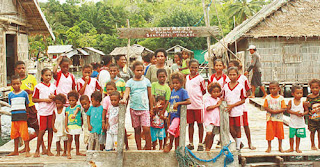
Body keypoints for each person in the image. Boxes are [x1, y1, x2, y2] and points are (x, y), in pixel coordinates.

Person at [13, 61, 46, 154]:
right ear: (16, 70)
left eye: (23, 68)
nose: (21, 70)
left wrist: (30, 92)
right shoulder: (15, 81)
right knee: (23, 128)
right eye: (19, 68)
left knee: (36, 127)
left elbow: (37, 90)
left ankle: (43, 147)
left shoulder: (31, 78)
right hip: (20, 107)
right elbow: (13, 93)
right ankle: (26, 147)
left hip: (31, 106)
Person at [121, 61, 153, 150]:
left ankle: (148, 147)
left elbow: (150, 96)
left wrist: (151, 108)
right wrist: (124, 99)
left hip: (145, 109)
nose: (139, 72)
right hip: (133, 109)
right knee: (137, 129)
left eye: (141, 70)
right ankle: (139, 148)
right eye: (137, 70)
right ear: (133, 71)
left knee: (146, 129)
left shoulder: (146, 81)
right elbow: (126, 93)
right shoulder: (129, 82)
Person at [229, 60, 256, 150]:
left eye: (232, 66)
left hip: (241, 106)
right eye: (229, 67)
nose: (231, 68)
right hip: (231, 106)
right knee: (232, 127)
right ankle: (238, 142)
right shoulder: (227, 79)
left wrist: (242, 98)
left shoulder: (243, 78)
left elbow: (249, 90)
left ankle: (250, 143)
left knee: (245, 125)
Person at [164, 72, 191, 153]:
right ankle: (177, 148)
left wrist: (178, 103)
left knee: (171, 130)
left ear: (181, 83)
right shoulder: (173, 92)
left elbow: (188, 101)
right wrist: (168, 116)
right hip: (172, 115)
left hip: (178, 116)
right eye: (173, 83)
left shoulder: (183, 91)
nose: (175, 85)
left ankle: (170, 145)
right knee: (176, 133)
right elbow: (170, 104)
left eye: (177, 83)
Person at [32, 68, 56, 157]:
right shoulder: (38, 87)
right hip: (42, 111)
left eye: (50, 75)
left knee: (50, 129)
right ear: (42, 76)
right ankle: (37, 150)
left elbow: (57, 98)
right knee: (41, 131)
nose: (48, 77)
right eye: (46, 75)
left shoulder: (53, 86)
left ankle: (49, 150)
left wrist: (54, 97)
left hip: (51, 111)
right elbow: (34, 99)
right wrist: (44, 100)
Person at [222, 67, 246, 150]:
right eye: (230, 75)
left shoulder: (240, 86)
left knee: (238, 127)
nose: (232, 76)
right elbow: (223, 97)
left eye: (234, 74)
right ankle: (238, 142)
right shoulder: (225, 86)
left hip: (237, 110)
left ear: (237, 75)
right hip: (228, 111)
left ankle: (238, 146)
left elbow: (243, 100)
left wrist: (232, 106)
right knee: (230, 128)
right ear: (227, 76)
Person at [7, 75, 30, 157]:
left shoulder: (24, 93)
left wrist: (27, 113)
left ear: (21, 83)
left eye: (17, 83)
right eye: (14, 84)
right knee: (15, 134)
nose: (16, 86)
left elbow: (27, 104)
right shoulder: (10, 95)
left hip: (22, 116)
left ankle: (27, 150)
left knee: (25, 134)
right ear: (11, 85)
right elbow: (11, 104)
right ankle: (15, 150)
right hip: (14, 117)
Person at [185, 59, 206, 151]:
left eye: (196, 67)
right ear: (189, 67)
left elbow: (204, 91)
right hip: (189, 106)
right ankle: (191, 143)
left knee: (200, 124)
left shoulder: (200, 79)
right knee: (190, 124)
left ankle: (200, 143)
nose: (193, 69)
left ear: (198, 68)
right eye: (192, 67)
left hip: (198, 105)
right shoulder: (186, 78)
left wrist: (198, 98)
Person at [103, 81, 129, 150]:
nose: (113, 102)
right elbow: (107, 115)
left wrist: (122, 100)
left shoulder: (120, 107)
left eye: (115, 100)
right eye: (112, 100)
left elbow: (125, 100)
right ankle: (109, 152)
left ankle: (122, 149)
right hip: (110, 128)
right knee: (109, 143)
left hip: (118, 129)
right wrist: (105, 122)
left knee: (117, 143)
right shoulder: (110, 106)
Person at [263, 81, 286, 153]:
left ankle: (280, 147)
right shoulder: (268, 97)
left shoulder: (281, 98)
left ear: (278, 89)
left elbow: (284, 108)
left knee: (280, 133)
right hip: (270, 118)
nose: (272, 90)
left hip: (279, 119)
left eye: (274, 88)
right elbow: (265, 106)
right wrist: (271, 111)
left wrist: (276, 111)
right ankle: (269, 146)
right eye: (270, 89)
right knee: (269, 132)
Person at [151, 69, 171, 145]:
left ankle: (164, 143)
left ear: (166, 77)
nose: (162, 78)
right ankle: (154, 142)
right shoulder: (154, 84)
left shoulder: (167, 88)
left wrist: (162, 111)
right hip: (155, 109)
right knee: (154, 125)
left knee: (165, 126)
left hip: (164, 110)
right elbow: (152, 96)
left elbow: (167, 100)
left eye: (163, 76)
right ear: (157, 77)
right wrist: (155, 107)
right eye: (160, 77)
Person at [285, 85, 308, 153]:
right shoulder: (291, 101)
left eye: (301, 93)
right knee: (291, 136)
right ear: (293, 94)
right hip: (292, 122)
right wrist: (295, 113)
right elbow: (288, 110)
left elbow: (306, 111)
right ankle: (291, 147)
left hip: (300, 123)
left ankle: (297, 147)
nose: (299, 95)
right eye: (297, 93)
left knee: (298, 136)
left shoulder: (303, 102)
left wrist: (303, 114)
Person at [65, 91, 85, 159]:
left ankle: (77, 151)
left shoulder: (78, 106)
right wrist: (66, 126)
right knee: (69, 139)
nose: (71, 102)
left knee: (77, 139)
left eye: (73, 100)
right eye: (70, 100)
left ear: (76, 100)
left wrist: (74, 114)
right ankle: (68, 153)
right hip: (70, 125)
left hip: (77, 125)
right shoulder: (67, 108)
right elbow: (66, 118)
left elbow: (77, 110)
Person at [204, 82, 222, 151]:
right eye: (214, 92)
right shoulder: (207, 99)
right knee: (209, 133)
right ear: (210, 92)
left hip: (216, 121)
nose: (216, 93)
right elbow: (208, 108)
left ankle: (208, 148)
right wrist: (217, 105)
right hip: (209, 120)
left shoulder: (219, 100)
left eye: (217, 92)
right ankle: (206, 146)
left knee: (212, 135)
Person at [306, 79, 320, 150]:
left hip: (319, 118)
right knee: (312, 132)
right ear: (310, 88)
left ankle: (319, 144)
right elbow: (306, 106)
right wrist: (307, 106)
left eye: (316, 87)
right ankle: (312, 144)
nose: (315, 89)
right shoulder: (309, 97)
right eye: (313, 88)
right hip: (312, 118)